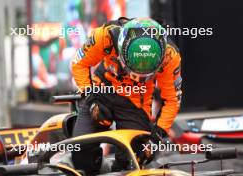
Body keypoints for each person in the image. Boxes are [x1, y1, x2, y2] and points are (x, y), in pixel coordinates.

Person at [71, 17, 182, 175]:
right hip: (103, 89)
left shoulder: (170, 56)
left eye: (146, 72)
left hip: (137, 100)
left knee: (136, 159)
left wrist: (157, 136)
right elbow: (79, 63)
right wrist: (90, 98)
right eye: (136, 71)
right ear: (121, 48)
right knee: (81, 149)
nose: (139, 75)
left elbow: (172, 100)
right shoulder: (106, 35)